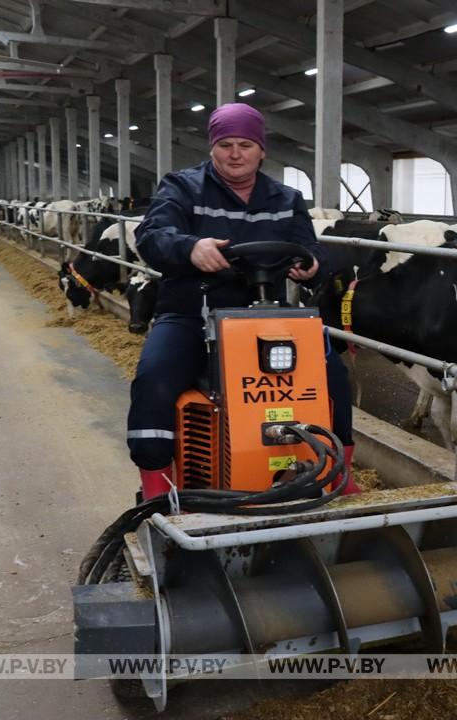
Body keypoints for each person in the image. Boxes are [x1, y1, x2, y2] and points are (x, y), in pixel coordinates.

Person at [127, 103, 358, 500]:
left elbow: (308, 247)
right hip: (191, 313)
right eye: (226, 144)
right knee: (155, 377)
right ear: (212, 147)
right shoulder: (181, 187)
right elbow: (152, 236)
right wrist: (190, 248)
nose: (235, 153)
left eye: (246, 144)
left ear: (261, 150)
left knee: (332, 377)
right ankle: (157, 485)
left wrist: (312, 265)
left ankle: (340, 471)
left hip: (266, 317)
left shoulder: (286, 197)